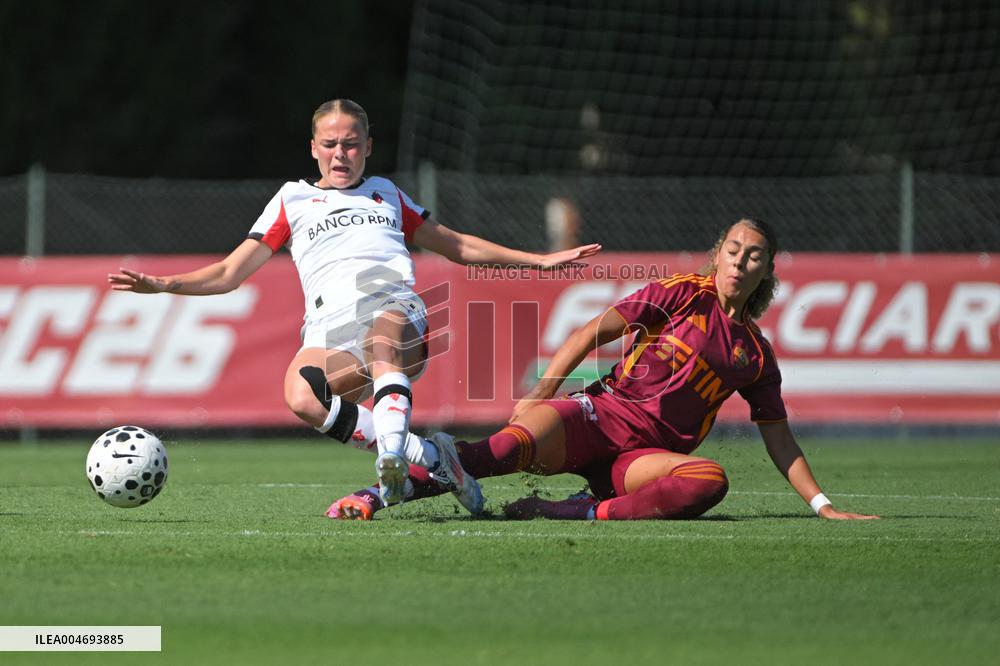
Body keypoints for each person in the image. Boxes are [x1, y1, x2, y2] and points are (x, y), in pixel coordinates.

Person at [108, 98, 601, 514]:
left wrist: (536, 261)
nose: (340, 153)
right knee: (301, 396)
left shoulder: (386, 194)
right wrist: (164, 284)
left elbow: (457, 246)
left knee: (381, 338)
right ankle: (430, 455)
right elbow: (228, 273)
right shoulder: (292, 201)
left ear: (367, 147)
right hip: (328, 327)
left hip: (394, 309)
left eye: (350, 143)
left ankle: (390, 456)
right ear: (313, 149)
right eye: (330, 143)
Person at [327, 217, 879, 521]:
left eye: (753, 254)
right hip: (595, 415)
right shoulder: (681, 294)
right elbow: (593, 331)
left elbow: (780, 440)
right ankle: (375, 495)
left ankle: (582, 511)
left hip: (639, 460)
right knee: (492, 453)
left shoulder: (755, 354)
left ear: (767, 269)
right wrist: (539, 394)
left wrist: (824, 506)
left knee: (708, 480)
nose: (740, 260)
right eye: (733, 248)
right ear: (719, 253)